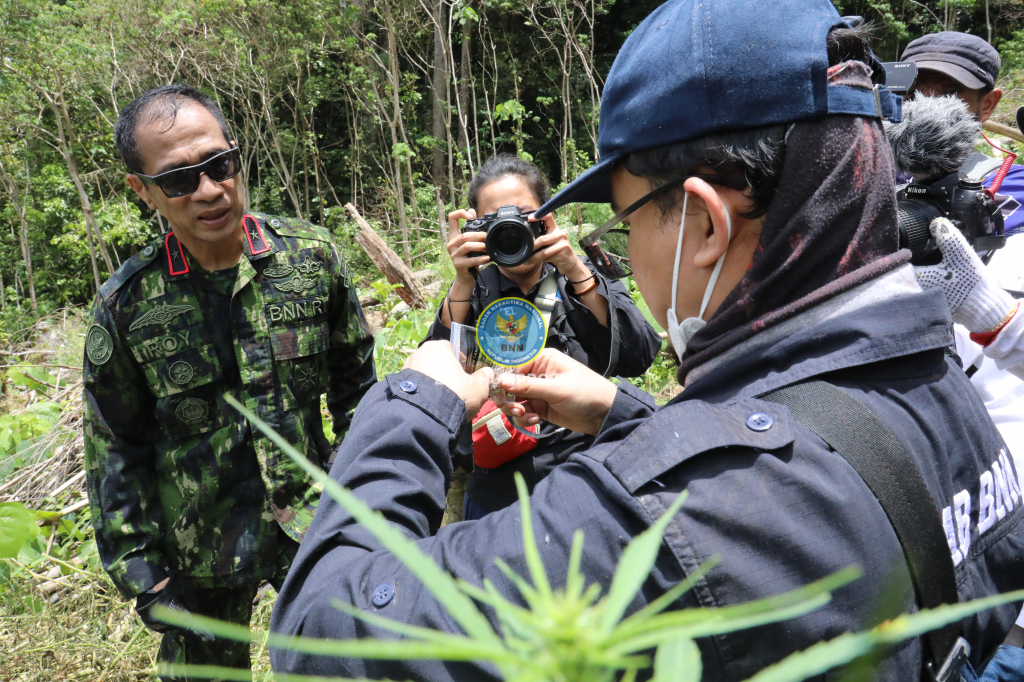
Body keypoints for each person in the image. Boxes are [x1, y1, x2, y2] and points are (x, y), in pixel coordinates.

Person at [271, 3, 1024, 680]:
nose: (630, 248)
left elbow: (322, 631)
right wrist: (624, 415)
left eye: (628, 220)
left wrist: (412, 401)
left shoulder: (655, 526)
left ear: (706, 224)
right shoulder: (951, 390)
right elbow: (803, 448)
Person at [82, 84, 376, 679]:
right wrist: (143, 573)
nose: (210, 190)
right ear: (143, 191)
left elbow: (358, 388)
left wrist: (361, 493)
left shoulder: (310, 260)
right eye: (178, 179)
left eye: (219, 164)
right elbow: (114, 448)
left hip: (313, 523)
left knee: (349, 667)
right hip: (198, 551)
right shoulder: (127, 306)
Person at [427, 154, 662, 519]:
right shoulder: (472, 289)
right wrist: (461, 282)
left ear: (546, 216)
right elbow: (435, 383)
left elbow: (639, 356)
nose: (510, 229)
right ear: (476, 227)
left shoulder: (579, 276)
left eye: (522, 216)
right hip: (499, 486)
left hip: (589, 469)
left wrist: (576, 271)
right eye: (495, 222)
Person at [900, 31, 1024, 470]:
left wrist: (995, 315)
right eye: (914, 92)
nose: (927, 105)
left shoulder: (1015, 188)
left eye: (950, 93)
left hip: (1002, 445)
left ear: (987, 105)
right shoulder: (861, 179)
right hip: (902, 437)